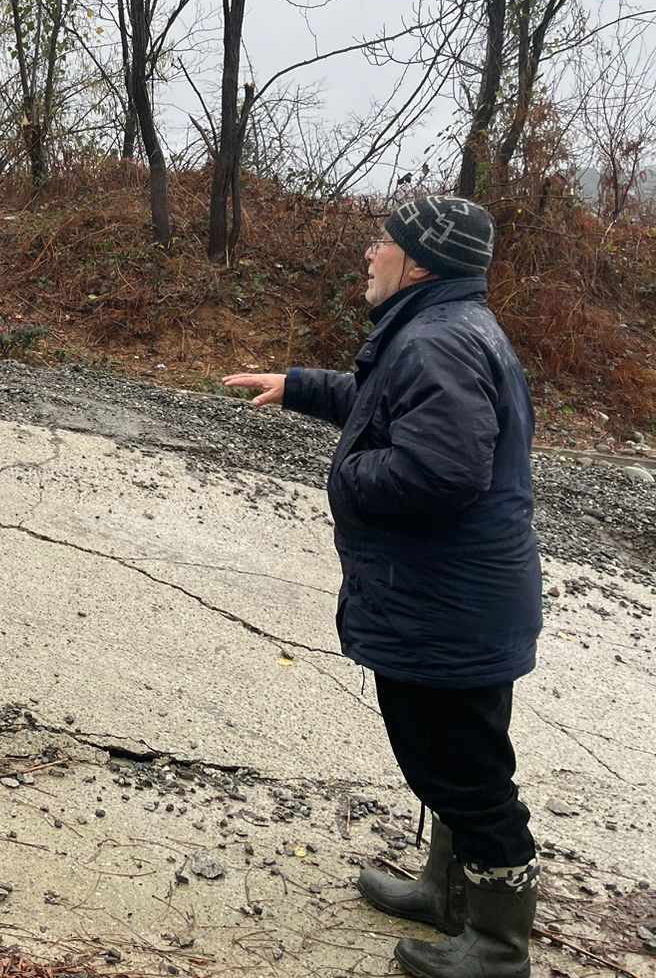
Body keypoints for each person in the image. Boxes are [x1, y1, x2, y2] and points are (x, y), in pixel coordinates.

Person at [223, 196, 542, 978]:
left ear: (420, 261)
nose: (371, 253)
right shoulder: (439, 328)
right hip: (457, 604)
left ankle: (498, 947)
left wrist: (349, 477)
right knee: (449, 760)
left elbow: (441, 469)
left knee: (466, 774)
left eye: (385, 242)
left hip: (449, 611)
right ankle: (446, 894)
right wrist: (300, 385)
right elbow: (385, 408)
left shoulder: (438, 340)